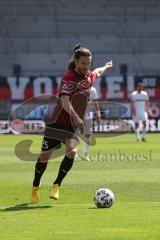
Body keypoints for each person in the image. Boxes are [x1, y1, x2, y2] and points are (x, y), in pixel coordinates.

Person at [31, 44, 113, 203]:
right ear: (76, 62)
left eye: (88, 63)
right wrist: (76, 116)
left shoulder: (89, 76)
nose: (86, 66)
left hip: (73, 125)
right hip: (57, 123)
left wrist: (106, 66)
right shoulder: (68, 78)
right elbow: (65, 101)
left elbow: (97, 72)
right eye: (83, 63)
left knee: (72, 152)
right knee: (44, 157)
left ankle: (56, 185)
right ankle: (35, 186)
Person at [78, 86, 101, 161]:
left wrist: (98, 113)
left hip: (88, 114)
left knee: (87, 134)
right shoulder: (77, 88)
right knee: (76, 133)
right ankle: (73, 154)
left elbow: (95, 102)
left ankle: (85, 154)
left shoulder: (93, 89)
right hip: (78, 112)